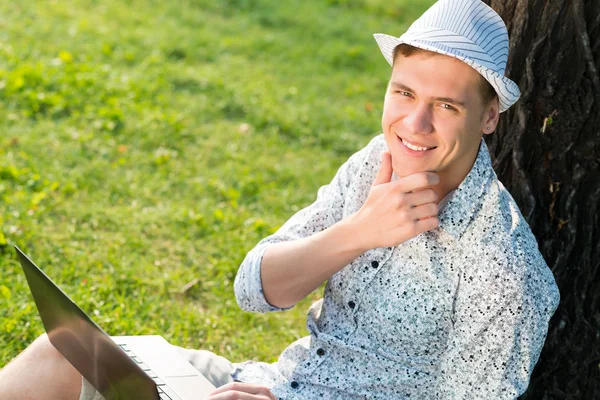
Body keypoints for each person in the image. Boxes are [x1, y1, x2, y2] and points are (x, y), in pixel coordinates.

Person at [0, 0, 559, 399]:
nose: (414, 123)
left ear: (489, 116)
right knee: (65, 351)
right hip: (265, 384)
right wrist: (360, 230)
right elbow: (253, 288)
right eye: (404, 92)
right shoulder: (373, 163)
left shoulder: (504, 271)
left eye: (447, 106)